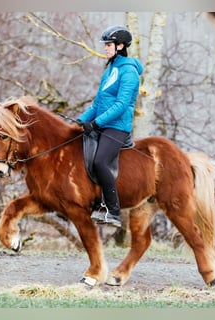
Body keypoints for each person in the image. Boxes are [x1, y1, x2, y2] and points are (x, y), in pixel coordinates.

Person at [77, 25, 144, 228]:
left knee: (99, 161)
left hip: (118, 127)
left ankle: (113, 211)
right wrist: (81, 120)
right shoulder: (110, 70)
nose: (105, 48)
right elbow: (98, 103)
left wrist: (96, 122)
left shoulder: (129, 72)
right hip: (103, 124)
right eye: (105, 45)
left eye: (109, 44)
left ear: (121, 46)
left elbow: (121, 105)